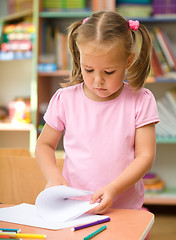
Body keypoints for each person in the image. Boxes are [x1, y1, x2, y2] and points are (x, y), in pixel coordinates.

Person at [35, 11, 159, 214]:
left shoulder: (141, 100)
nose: (97, 81)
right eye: (88, 69)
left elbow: (145, 156)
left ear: (128, 61)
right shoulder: (65, 99)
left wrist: (114, 188)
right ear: (79, 57)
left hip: (124, 208)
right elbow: (44, 145)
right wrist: (53, 177)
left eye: (109, 72)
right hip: (74, 208)